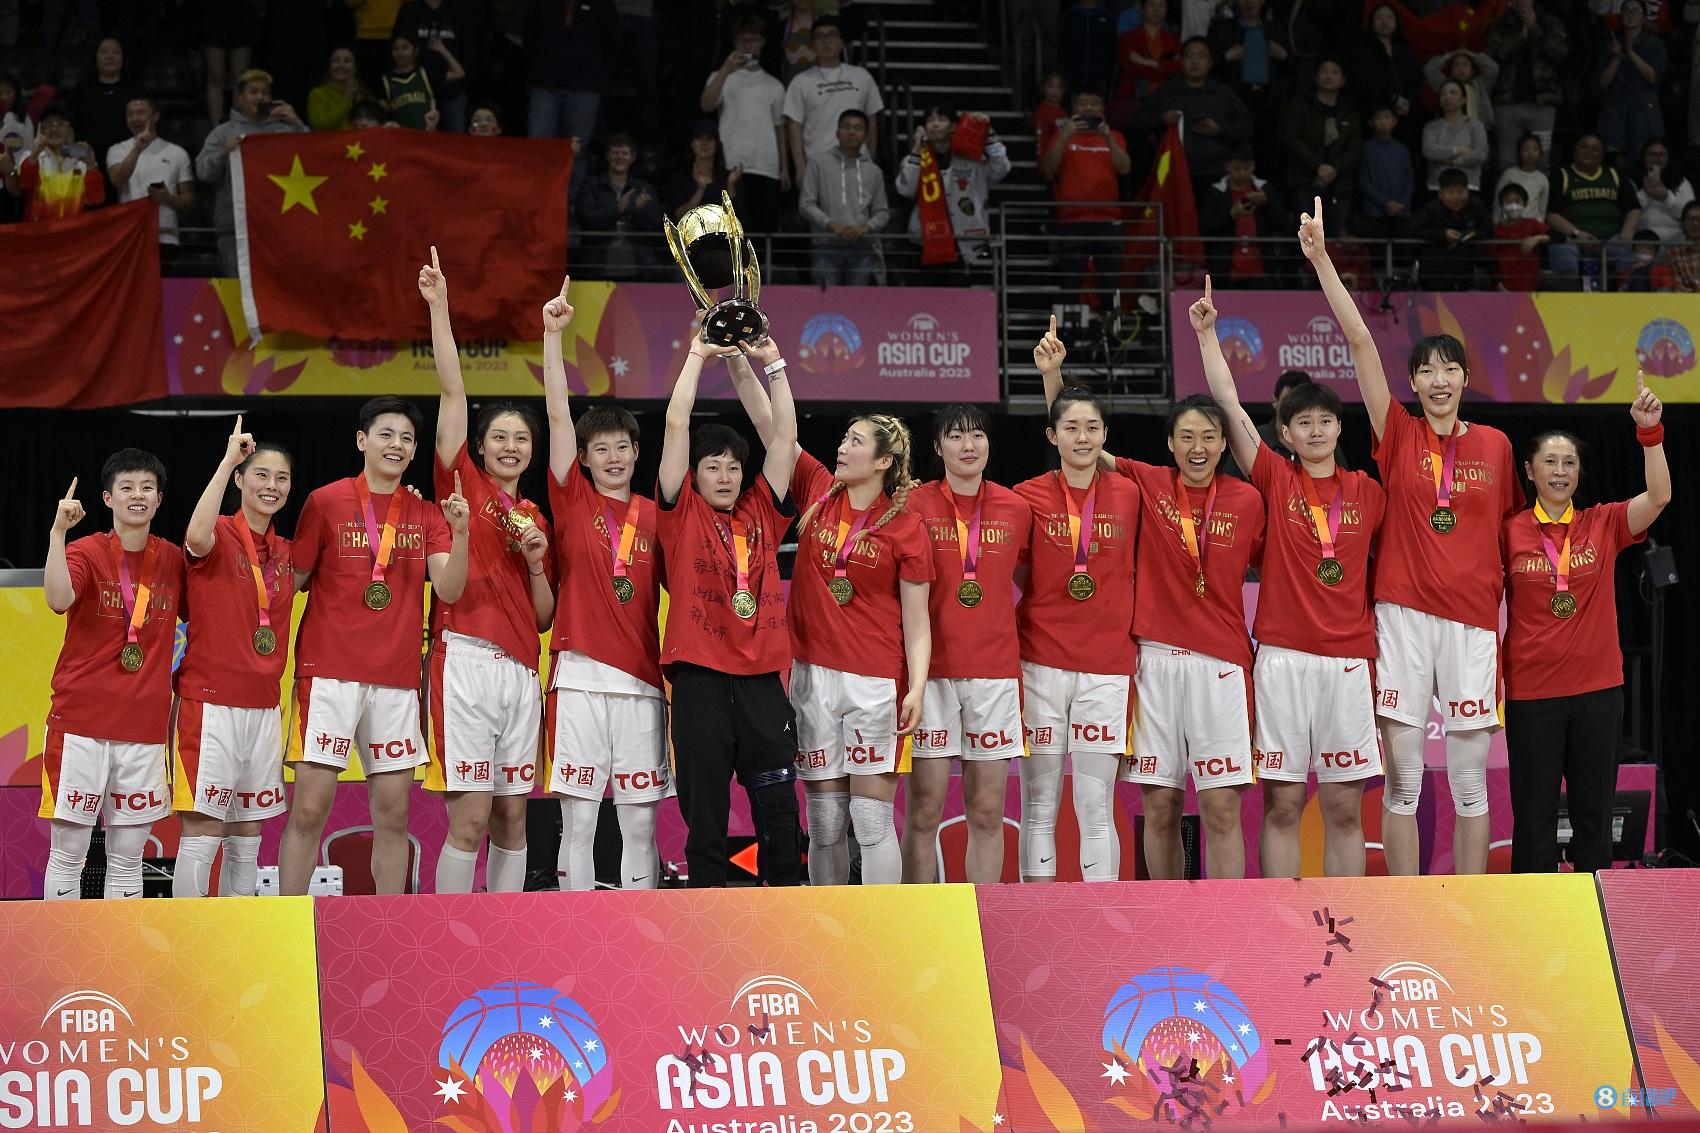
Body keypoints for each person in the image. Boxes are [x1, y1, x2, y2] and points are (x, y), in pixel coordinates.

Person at [1301, 205, 1519, 878]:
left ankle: (1473, 906)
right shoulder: (1396, 434)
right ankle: (1404, 907)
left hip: (1472, 624)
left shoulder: (1497, 446)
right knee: (1403, 782)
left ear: (1464, 379)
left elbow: (1508, 532)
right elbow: (1362, 343)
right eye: (1428, 370)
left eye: (1451, 368)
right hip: (1402, 617)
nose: (1440, 379)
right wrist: (1322, 261)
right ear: (1415, 383)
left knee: (1471, 783)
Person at [1193, 273, 1384, 878]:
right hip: (1282, 659)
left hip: (1348, 661)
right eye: (1304, 423)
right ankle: (1279, 919)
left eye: (1326, 421)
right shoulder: (1274, 478)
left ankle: (1346, 920)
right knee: (1283, 804)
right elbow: (1228, 405)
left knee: (1344, 807)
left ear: (1339, 429)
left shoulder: (1369, 492)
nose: (1317, 430)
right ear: (1285, 433)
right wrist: (1208, 336)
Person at [730, 392, 933, 887]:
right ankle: (830, 927)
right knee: (823, 825)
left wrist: (917, 687)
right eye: (844, 438)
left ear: (884, 461)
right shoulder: (819, 489)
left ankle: (881, 925)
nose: (842, 447)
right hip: (812, 678)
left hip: (875, 684)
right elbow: (772, 427)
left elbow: (917, 621)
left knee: (870, 820)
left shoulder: (906, 527)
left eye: (856, 442)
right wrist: (752, 363)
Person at [277, 397, 470, 896]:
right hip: (328, 675)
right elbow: (293, 581)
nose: (396, 445)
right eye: (386, 434)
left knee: (394, 814)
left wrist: (462, 532)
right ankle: (288, 922)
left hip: (396, 682)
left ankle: (390, 922)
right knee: (310, 808)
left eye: (406, 438)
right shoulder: (325, 501)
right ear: (362, 440)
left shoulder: (425, 514)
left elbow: (449, 589)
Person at [417, 248, 555, 895]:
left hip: (522, 671)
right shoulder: (461, 484)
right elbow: (453, 390)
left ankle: (505, 934)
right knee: (470, 819)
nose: (511, 446)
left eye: (521, 439)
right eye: (500, 436)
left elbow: (545, 617)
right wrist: (440, 308)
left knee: (512, 819)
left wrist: (537, 566)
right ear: (478, 446)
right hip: (465, 663)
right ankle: (448, 932)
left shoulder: (536, 519)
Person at [1503, 378, 1668, 874]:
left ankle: (1594, 911)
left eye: (1569, 463)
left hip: (1598, 691)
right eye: (1550, 462)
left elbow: (1659, 496)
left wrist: (1650, 433)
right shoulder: (1508, 530)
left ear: (1579, 472)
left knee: (1593, 818)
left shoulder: (1603, 523)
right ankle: (1532, 914)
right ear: (1529, 470)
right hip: (1532, 694)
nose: (1560, 471)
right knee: (1533, 822)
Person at [539, 277, 671, 892]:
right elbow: (556, 414)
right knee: (580, 822)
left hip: (642, 683)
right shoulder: (572, 502)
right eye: (600, 448)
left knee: (640, 824)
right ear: (585, 458)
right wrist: (553, 337)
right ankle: (576, 927)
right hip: (580, 677)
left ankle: (640, 926)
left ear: (636, 453)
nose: (613, 457)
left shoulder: (659, 516)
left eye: (622, 447)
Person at [659, 329, 803, 888]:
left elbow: (785, 440)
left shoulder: (761, 510)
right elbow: (676, 423)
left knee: (780, 816)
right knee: (706, 819)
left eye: (733, 467)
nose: (725, 476)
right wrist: (697, 354)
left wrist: (774, 364)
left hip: (763, 681)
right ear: (694, 475)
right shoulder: (681, 514)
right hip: (700, 680)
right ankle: (705, 913)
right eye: (713, 467)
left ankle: (786, 906)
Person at [1018, 332, 1140, 884]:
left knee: (1095, 806)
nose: (1082, 436)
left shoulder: (1131, 494)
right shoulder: (1025, 497)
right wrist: (1052, 379)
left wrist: (1055, 380)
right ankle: (1039, 912)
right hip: (1040, 662)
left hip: (1106, 668)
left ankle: (1100, 911)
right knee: (1040, 806)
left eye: (1093, 427)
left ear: (1106, 435)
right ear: (1052, 435)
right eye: (1070, 427)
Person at [41, 451, 185, 900]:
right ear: (108, 498)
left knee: (127, 859)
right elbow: (58, 600)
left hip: (143, 730)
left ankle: (123, 949)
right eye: (126, 487)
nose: (136, 495)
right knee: (69, 854)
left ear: (159, 499)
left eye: (146, 487)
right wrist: (58, 533)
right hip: (79, 725)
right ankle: (62, 947)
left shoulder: (174, 560)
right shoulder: (85, 551)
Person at [903, 406, 1034, 884]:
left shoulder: (1016, 508)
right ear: (938, 447)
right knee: (924, 810)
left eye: (977, 435)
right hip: (932, 676)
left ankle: (984, 914)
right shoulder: (913, 504)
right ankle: (918, 915)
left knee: (987, 811)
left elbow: (1029, 579)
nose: (968, 445)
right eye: (955, 436)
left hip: (995, 674)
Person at [170, 418, 295, 898]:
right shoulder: (218, 533)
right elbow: (194, 536)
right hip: (210, 705)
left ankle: (237, 935)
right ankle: (188, 935)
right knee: (203, 829)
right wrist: (227, 462)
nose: (271, 485)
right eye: (261, 475)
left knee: (247, 835)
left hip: (263, 708)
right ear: (241, 480)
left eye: (281, 478)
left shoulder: (286, 552)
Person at [195, 70, 307, 277]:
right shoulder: (223, 132)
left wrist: (298, 123)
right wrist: (224, 152)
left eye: (265, 93)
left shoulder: (285, 132)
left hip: (277, 225)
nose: (260, 97)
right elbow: (203, 173)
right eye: (253, 92)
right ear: (240, 98)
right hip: (234, 227)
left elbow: (315, 159)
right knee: (239, 285)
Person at [701, 16, 787, 234]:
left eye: (753, 40)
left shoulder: (774, 85)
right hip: (729, 162)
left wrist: (784, 168)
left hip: (765, 165)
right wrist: (725, 70)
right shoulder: (720, 76)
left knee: (762, 229)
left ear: (762, 42)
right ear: (735, 42)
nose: (748, 45)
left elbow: (780, 129)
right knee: (727, 230)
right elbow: (707, 105)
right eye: (743, 40)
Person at [894, 105, 1010, 266]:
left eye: (941, 120)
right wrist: (916, 149)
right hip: (926, 241)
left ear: (953, 126)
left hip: (967, 242)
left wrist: (989, 135)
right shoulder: (915, 158)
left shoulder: (971, 158)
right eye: (930, 120)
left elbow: (1001, 169)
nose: (935, 124)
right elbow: (906, 190)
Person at [1045, 88, 1132, 303]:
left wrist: (1108, 138)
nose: (1088, 108)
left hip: (1107, 219)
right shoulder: (1061, 136)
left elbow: (1124, 168)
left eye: (1094, 103)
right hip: (1072, 220)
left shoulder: (1115, 136)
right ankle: (1068, 325)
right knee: (1070, 283)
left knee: (1110, 283)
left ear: (1102, 108)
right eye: (1082, 103)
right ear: (1074, 108)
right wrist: (1065, 136)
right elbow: (1048, 169)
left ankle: (1110, 324)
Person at [1134, 37, 1253, 187]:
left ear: (1210, 63)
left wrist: (1219, 130)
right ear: (1181, 62)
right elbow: (1137, 122)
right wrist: (1161, 119)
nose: (1195, 62)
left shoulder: (1224, 93)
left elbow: (1247, 127)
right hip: (1173, 170)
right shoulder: (1166, 91)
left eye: (1201, 56)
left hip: (1216, 172)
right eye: (1189, 56)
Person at [783, 16, 883, 184]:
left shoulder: (861, 76)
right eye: (819, 37)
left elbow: (871, 119)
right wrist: (800, 167)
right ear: (812, 45)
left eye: (831, 35)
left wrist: (870, 160)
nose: (826, 41)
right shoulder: (801, 81)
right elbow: (794, 125)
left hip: (858, 163)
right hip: (817, 166)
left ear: (842, 42)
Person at [799, 108, 889, 287]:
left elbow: (882, 212)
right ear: (837, 133)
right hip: (826, 246)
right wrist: (831, 225)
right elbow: (806, 204)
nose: (851, 132)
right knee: (825, 302)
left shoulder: (874, 171)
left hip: (863, 247)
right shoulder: (818, 163)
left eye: (858, 128)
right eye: (846, 127)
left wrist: (866, 227)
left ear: (866, 136)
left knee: (858, 303)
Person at [106, 97, 194, 268]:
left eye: (141, 113)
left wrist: (168, 198)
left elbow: (189, 202)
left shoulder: (177, 153)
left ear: (155, 116)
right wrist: (137, 149)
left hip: (165, 237)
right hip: (129, 236)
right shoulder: (117, 150)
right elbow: (117, 180)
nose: (135, 118)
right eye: (130, 114)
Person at [1546, 133, 1642, 287]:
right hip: (1573, 239)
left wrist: (1627, 231)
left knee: (1632, 257)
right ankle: (1568, 298)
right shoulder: (1561, 175)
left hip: (1612, 240)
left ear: (1602, 155)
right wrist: (1577, 234)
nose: (1588, 151)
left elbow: (1634, 208)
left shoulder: (1614, 174)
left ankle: (1623, 297)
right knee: (1560, 251)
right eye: (1584, 146)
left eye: (1594, 149)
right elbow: (1552, 215)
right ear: (1575, 150)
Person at [1484, 0, 1567, 169]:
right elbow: (1491, 59)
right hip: (1507, 103)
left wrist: (1535, 28)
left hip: (1542, 103)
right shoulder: (1501, 23)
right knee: (1507, 161)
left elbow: (1560, 52)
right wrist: (1519, 38)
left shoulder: (1549, 21)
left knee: (1541, 160)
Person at [1281, 58, 1360, 233]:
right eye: (1324, 72)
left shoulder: (1349, 110)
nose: (1329, 76)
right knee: (1307, 236)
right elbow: (1291, 139)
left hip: (1339, 184)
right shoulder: (1301, 105)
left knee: (1334, 235)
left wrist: (1334, 168)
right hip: (1305, 180)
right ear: (1316, 77)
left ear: (1343, 80)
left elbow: (1355, 148)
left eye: (1334, 72)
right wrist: (1318, 166)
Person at [1208, 0, 1289, 169]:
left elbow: (1290, 70)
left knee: (1266, 156)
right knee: (1235, 156)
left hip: (1268, 101)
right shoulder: (1222, 29)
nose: (1249, 2)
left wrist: (1284, 56)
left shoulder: (1275, 30)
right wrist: (1227, 57)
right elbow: (1208, 65)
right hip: (1235, 101)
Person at [574, 133, 665, 280]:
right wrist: (618, 209)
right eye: (615, 152)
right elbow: (586, 220)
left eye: (624, 153)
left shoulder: (643, 188)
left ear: (632, 157)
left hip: (639, 266)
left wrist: (640, 211)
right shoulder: (591, 185)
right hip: (596, 264)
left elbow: (655, 227)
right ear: (607, 155)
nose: (619, 157)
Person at [1200, 145, 1283, 287]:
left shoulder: (1264, 189)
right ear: (1227, 166)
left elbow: (1282, 224)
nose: (1242, 173)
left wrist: (1267, 203)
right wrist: (1231, 215)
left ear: (1254, 166)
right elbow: (1206, 228)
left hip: (1261, 271)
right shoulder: (1215, 192)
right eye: (1237, 168)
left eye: (1247, 168)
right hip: (1225, 271)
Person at [1596, 0, 1665, 168]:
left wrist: (1631, 54)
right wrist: (1616, 59)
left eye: (1636, 10)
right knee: (1617, 160)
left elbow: (1654, 77)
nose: (1631, 14)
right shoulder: (1611, 44)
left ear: (1644, 17)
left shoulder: (1654, 44)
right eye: (1626, 10)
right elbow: (1602, 82)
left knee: (1645, 158)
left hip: (1644, 110)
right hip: (1616, 109)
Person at [8, 103, 104, 221]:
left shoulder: (81, 160)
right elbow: (24, 182)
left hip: (73, 230)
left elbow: (95, 199)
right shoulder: (29, 157)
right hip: (41, 230)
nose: (54, 128)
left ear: (70, 130)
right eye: (48, 124)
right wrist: (35, 154)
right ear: (40, 129)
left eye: (61, 123)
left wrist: (92, 166)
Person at [392, 0, 475, 133]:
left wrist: (461, 82)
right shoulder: (410, 9)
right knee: (413, 138)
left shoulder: (460, 9)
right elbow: (398, 44)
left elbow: (470, 51)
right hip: (415, 88)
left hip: (451, 89)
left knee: (456, 139)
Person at [1351, 4, 1422, 147]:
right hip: (1376, 115)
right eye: (1379, 18)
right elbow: (1364, 83)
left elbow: (1417, 78)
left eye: (1389, 17)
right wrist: (1393, 99)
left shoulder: (1404, 49)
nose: (1384, 22)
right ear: (1371, 23)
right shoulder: (1363, 51)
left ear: (1396, 22)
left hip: (1405, 113)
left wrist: (1408, 100)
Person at [1411, 167, 1493, 290]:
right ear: (1440, 194)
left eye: (1461, 191)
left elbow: (1488, 229)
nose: (1456, 197)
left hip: (1464, 271)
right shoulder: (1430, 209)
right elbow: (1414, 230)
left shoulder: (1475, 206)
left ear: (1468, 191)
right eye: (1450, 192)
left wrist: (1466, 235)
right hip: (1434, 271)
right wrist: (1442, 234)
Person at [67, 36, 133, 176]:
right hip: (86, 163)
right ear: (95, 57)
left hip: (126, 164)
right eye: (104, 52)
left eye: (116, 52)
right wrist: (79, 160)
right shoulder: (79, 92)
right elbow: (68, 135)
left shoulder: (135, 93)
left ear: (123, 58)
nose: (110, 56)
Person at [1112, 0, 1182, 124]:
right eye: (1152, 5)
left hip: (1164, 98)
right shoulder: (1128, 37)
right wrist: (1163, 67)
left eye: (1161, 6)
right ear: (1142, 8)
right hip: (1132, 98)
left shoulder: (1173, 40)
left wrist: (1146, 62)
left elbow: (1176, 68)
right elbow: (1131, 68)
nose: (1156, 9)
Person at [1356, 104, 1414, 250]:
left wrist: (1403, 203)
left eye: (1387, 117)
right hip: (1375, 212)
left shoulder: (1402, 149)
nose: (1383, 122)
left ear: (1395, 121)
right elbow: (1363, 180)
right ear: (1371, 123)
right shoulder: (1366, 148)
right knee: (1378, 251)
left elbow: (1409, 179)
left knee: (1402, 250)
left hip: (1401, 212)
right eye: (1378, 118)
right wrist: (1385, 203)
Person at [1421, 79, 1488, 192]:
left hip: (1468, 186)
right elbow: (1429, 151)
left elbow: (1480, 154)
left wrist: (1452, 162)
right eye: (1443, 94)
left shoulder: (1476, 125)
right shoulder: (1431, 126)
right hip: (1437, 186)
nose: (1447, 97)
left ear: (1464, 100)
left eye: (1453, 93)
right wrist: (1458, 150)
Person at [669, 118, 742, 221]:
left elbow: (739, 220)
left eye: (709, 139)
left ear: (717, 145)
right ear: (692, 144)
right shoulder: (680, 178)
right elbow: (678, 217)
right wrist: (700, 189)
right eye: (699, 138)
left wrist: (731, 186)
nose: (704, 143)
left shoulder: (729, 178)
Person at [202, 1, 255, 123]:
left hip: (242, 12)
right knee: (216, 76)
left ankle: (239, 124)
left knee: (240, 77)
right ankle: (217, 127)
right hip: (214, 13)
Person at [1632, 138, 1693, 243]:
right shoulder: (1632, 180)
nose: (1656, 159)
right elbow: (1628, 214)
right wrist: (1645, 194)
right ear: (1644, 157)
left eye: (1661, 155)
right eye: (1651, 154)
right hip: (1642, 239)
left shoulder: (1681, 182)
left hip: (1676, 239)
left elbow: (1689, 214)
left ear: (1669, 157)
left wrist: (1666, 197)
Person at [1423, 49, 1499, 133]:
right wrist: (1448, 56)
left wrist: (1472, 55)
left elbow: (1493, 69)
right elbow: (1429, 70)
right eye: (1456, 65)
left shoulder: (1480, 84)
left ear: (1472, 70)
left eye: (1465, 65)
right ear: (1452, 72)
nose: (1461, 69)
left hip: (1478, 130)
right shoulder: (1445, 84)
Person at [1491, 182, 1550, 291]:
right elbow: (1490, 263)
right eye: (1508, 202)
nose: (1513, 206)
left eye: (1517, 202)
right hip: (1504, 289)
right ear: (1501, 205)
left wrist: (1537, 238)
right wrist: (1500, 288)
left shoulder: (1532, 224)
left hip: (1530, 286)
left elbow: (1558, 235)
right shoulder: (1495, 230)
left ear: (1525, 204)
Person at [382, 32, 446, 130]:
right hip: (401, 136)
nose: (400, 52)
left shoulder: (424, 72)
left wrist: (441, 49)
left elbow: (459, 73)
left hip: (427, 134)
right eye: (395, 49)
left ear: (416, 51)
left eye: (405, 48)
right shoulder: (386, 80)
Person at [308, 46, 372, 132]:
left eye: (347, 61)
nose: (341, 65)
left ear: (355, 68)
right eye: (336, 61)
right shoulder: (317, 93)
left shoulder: (364, 93)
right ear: (329, 67)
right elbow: (318, 127)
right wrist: (347, 99)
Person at [1059, 0, 1117, 94]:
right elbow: (1062, 46)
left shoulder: (1107, 16)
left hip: (1098, 78)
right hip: (1073, 77)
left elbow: (1112, 48)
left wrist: (1105, 71)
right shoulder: (1069, 15)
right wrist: (1066, 69)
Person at [1492, 131, 1550, 224]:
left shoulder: (1543, 179)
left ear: (1540, 153)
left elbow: (1542, 208)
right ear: (1518, 153)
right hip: (1509, 223)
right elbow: (1498, 203)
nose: (1530, 153)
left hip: (1531, 225)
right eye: (1525, 149)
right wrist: (1496, 223)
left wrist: (1539, 226)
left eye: (1535, 149)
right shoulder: (1509, 174)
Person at [1666, 200, 1700, 290]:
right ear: (1683, 223)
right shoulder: (1673, 252)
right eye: (1690, 219)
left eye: (1699, 219)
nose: (1695, 223)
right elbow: (1670, 282)